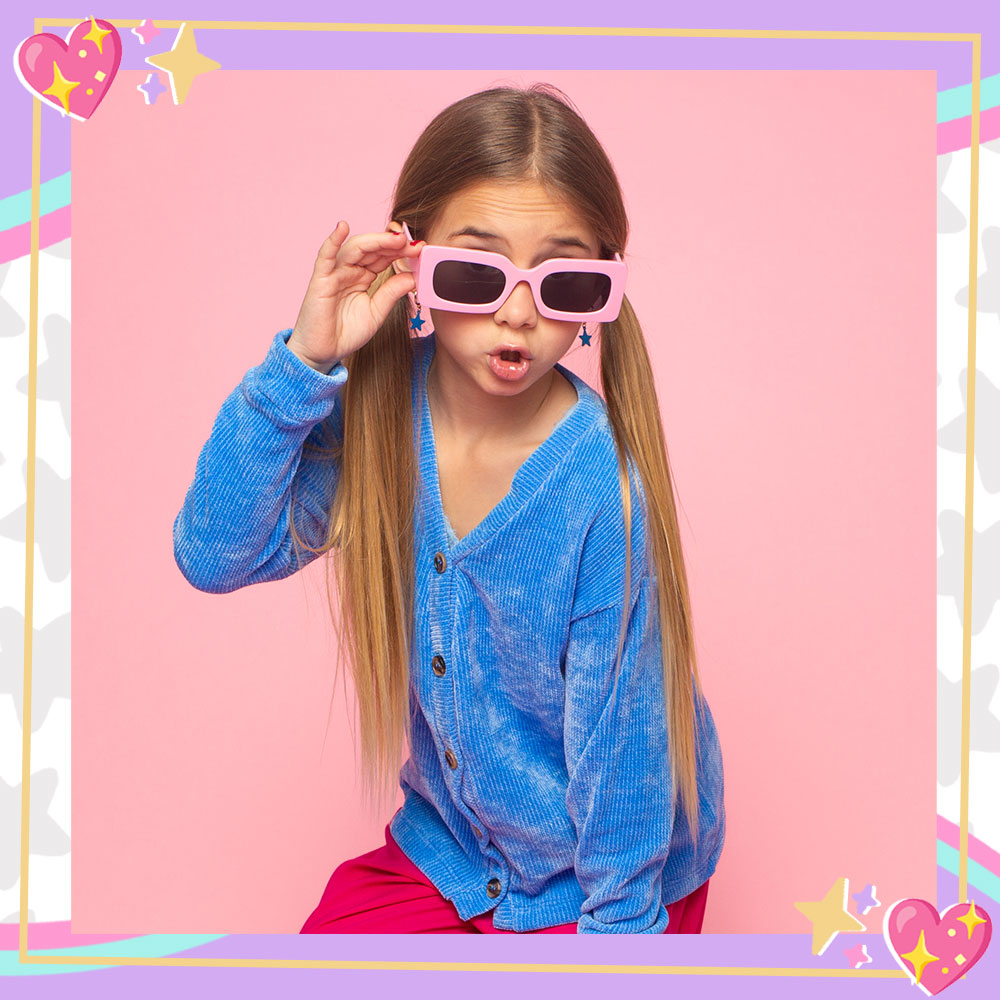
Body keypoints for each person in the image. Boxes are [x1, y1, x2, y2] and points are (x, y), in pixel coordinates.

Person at [173, 83, 725, 935]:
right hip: (457, 848)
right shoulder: (383, 418)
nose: (517, 314)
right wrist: (304, 361)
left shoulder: (600, 492)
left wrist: (620, 951)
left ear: (598, 295)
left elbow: (627, 760)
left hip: (616, 876)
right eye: (478, 271)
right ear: (413, 263)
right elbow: (215, 553)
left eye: (563, 283)